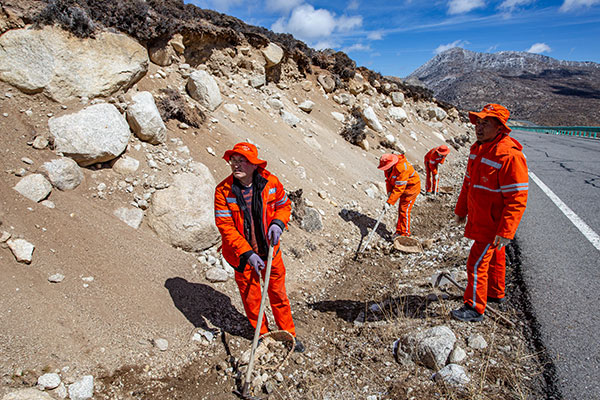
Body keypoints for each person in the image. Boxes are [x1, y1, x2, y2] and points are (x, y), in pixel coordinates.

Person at [214, 142, 304, 352]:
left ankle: (288, 334)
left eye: (242, 161)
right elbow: (225, 227)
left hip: (270, 251)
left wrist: (278, 223)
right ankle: (263, 335)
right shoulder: (223, 191)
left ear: (254, 165)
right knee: (252, 298)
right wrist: (247, 253)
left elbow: (284, 205)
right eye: (233, 161)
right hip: (242, 257)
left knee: (278, 294)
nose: (236, 165)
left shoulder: (270, 182)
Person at [451, 104, 528, 322]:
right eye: (478, 122)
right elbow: (468, 184)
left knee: (475, 263)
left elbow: (517, 198)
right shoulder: (478, 149)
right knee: (496, 257)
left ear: (500, 127)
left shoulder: (509, 156)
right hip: (481, 219)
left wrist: (506, 230)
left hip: (492, 224)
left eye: (486, 123)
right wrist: (461, 211)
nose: (479, 127)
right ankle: (495, 293)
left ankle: (474, 307)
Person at [378, 152, 421, 238]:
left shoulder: (402, 169)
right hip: (403, 188)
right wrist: (389, 192)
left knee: (404, 210)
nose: (385, 170)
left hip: (411, 189)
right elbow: (388, 180)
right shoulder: (388, 168)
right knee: (401, 210)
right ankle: (399, 231)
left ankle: (405, 234)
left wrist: (389, 202)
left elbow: (399, 188)